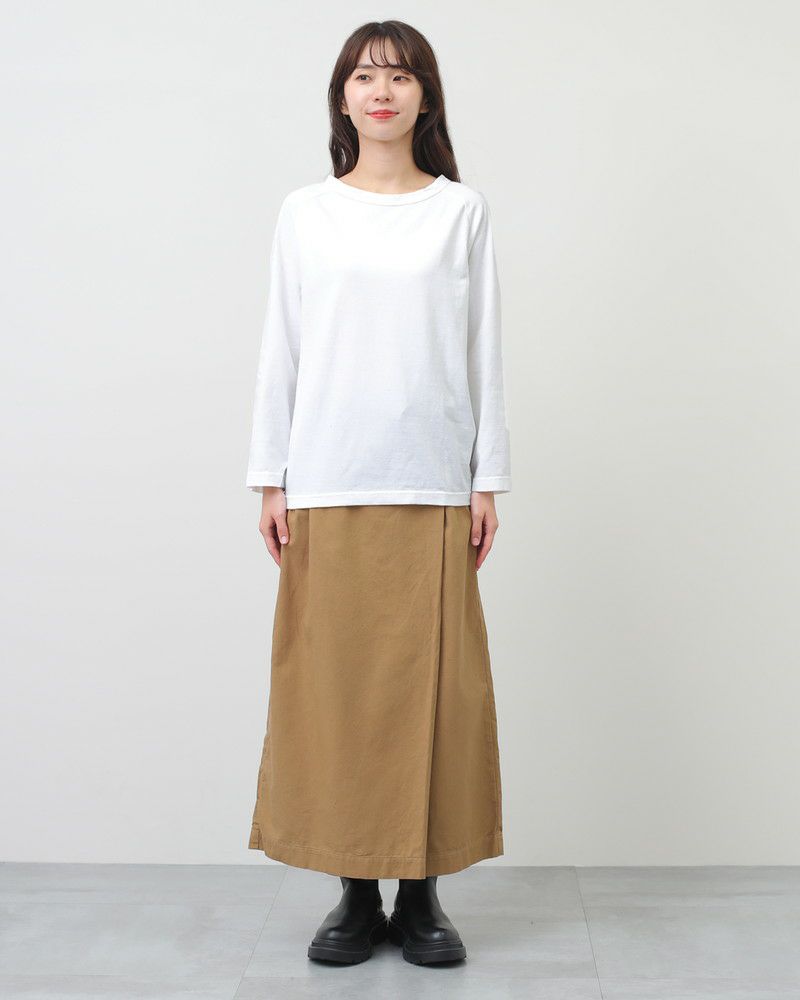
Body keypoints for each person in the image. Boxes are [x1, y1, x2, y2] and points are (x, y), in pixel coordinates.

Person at [245, 20, 511, 967]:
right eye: (364, 75)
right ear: (343, 97)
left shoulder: (460, 212)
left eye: (399, 76)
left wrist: (487, 477)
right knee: (336, 692)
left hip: (432, 478)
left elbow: (483, 349)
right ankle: (356, 891)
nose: (382, 90)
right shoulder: (305, 213)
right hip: (328, 477)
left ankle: (423, 892)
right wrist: (270, 475)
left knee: (433, 693)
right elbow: (281, 345)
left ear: (425, 96)